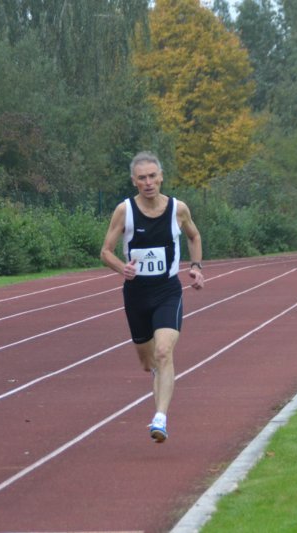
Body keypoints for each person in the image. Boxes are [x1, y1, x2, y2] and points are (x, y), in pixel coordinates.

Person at [101, 152, 205, 443]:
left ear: (161, 177)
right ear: (134, 181)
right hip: (136, 295)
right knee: (149, 363)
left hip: (167, 291)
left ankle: (160, 418)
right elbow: (106, 251)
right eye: (142, 178)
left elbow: (194, 236)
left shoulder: (177, 209)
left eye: (152, 176)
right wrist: (122, 268)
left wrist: (196, 267)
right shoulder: (124, 211)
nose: (148, 182)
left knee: (163, 352)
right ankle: (157, 375)